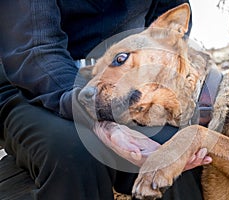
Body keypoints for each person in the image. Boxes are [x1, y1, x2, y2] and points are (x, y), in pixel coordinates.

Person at [0, 1, 212, 199]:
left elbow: (165, 36)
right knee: (76, 152)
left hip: (125, 85)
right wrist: (99, 120)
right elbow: (36, 52)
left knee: (176, 149)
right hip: (33, 88)